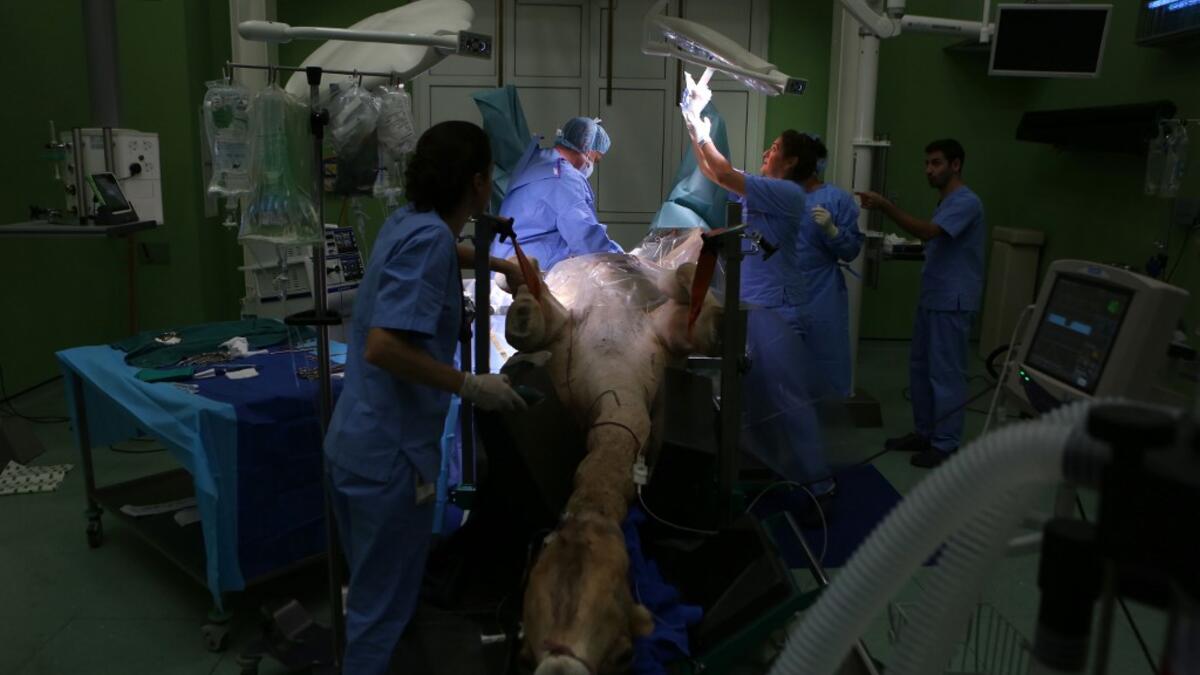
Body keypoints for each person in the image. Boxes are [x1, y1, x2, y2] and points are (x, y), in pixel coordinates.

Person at [324, 120, 529, 674]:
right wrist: (468, 384)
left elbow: (440, 249)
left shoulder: (409, 222)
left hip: (354, 444)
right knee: (379, 611)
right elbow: (383, 346)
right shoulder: (431, 238)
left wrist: (501, 263)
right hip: (389, 462)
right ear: (481, 182)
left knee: (374, 592)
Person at [680, 90, 837, 501]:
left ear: (791, 162)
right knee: (754, 400)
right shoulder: (765, 187)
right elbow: (714, 173)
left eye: (774, 149)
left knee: (791, 406)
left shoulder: (786, 194)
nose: (767, 152)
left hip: (779, 311)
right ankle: (769, 470)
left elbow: (725, 172)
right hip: (756, 310)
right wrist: (691, 120)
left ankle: (820, 485)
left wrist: (701, 124)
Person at [857, 138, 985, 468]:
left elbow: (930, 233)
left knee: (946, 374)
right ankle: (925, 432)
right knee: (920, 369)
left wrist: (885, 207)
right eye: (927, 163)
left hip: (952, 301)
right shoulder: (947, 202)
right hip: (934, 298)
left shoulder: (966, 202)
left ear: (956, 165)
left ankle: (945, 443)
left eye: (937, 163)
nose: (929, 170)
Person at [491, 116, 624, 272]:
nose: (592, 165)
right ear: (587, 149)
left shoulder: (536, 160)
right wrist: (622, 260)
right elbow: (586, 240)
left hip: (503, 267)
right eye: (596, 159)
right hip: (526, 275)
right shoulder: (563, 178)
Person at [795, 134, 864, 398]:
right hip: (784, 288)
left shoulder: (837, 199)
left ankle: (822, 411)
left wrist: (833, 231)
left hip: (822, 291)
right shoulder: (781, 193)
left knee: (824, 350)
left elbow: (850, 251)